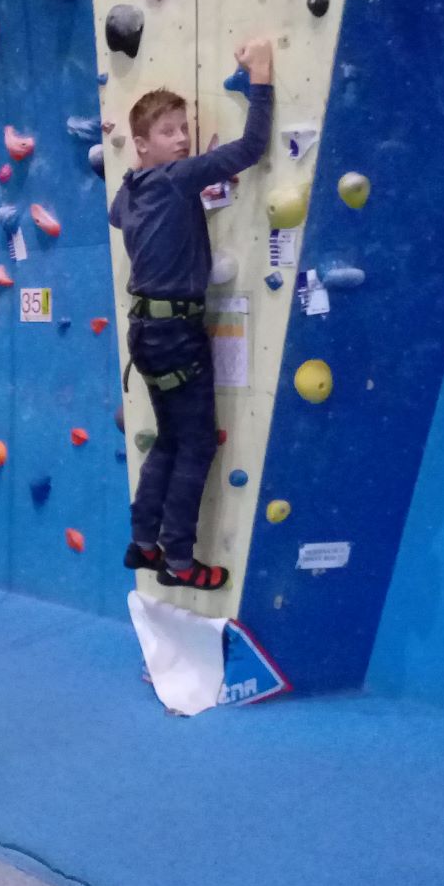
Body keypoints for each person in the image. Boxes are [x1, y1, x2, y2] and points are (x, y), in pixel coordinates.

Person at [109, 36, 277, 591]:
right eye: (168, 132)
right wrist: (261, 75)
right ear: (142, 143)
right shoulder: (179, 178)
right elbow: (252, 147)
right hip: (176, 332)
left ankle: (144, 542)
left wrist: (154, 171)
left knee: (170, 438)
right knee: (197, 443)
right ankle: (179, 560)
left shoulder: (132, 188)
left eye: (184, 129)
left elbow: (118, 217)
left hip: (146, 333)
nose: (181, 139)